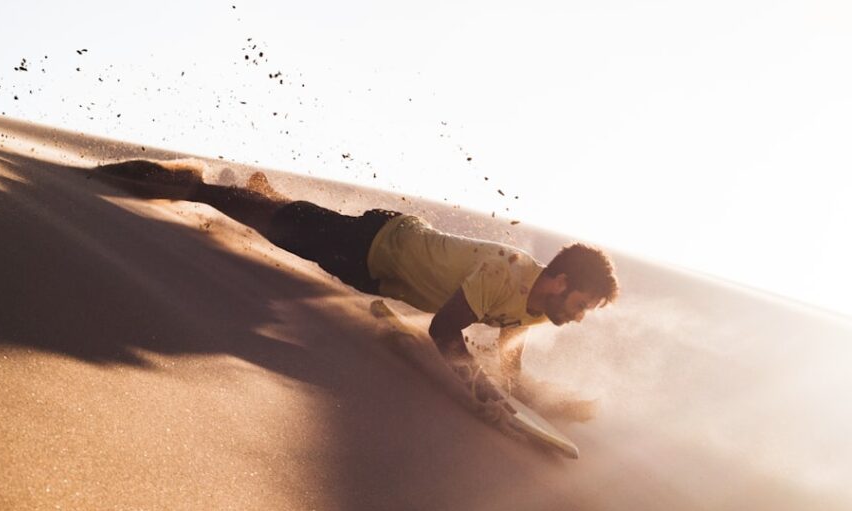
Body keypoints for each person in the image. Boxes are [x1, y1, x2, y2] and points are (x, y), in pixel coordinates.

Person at [91, 159, 619, 406]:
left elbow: (507, 352)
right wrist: (480, 391)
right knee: (258, 221)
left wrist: (531, 395)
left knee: (283, 224)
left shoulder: (534, 307)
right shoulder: (505, 272)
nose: (577, 316)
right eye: (581, 303)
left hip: (377, 263)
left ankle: (262, 192)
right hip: (376, 246)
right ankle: (187, 181)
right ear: (561, 280)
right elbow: (443, 330)